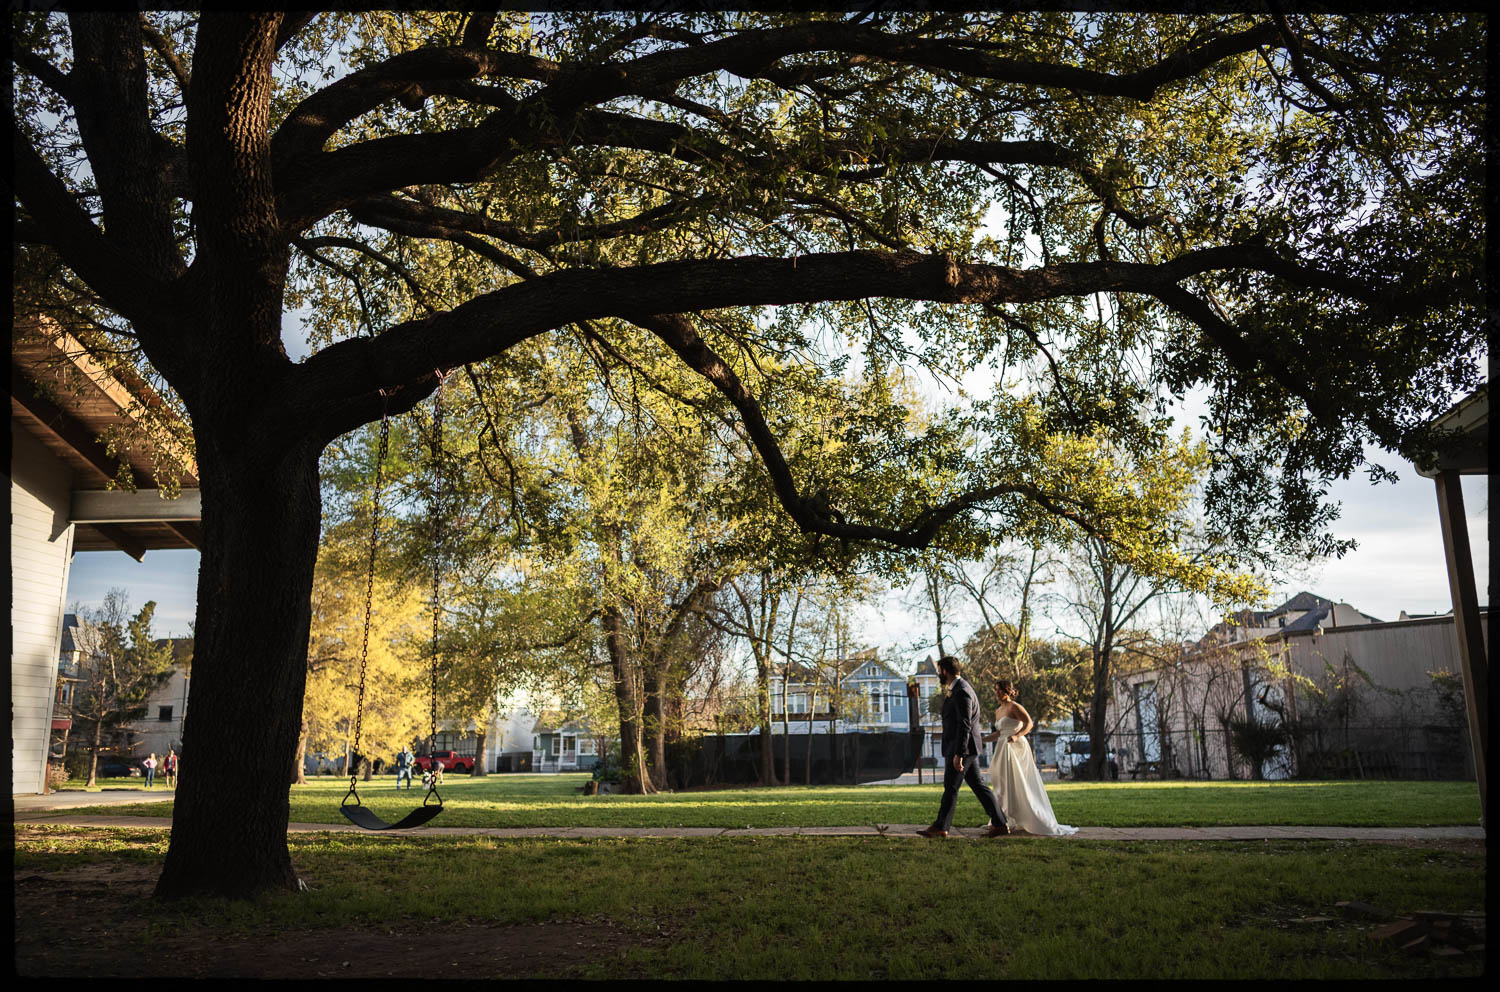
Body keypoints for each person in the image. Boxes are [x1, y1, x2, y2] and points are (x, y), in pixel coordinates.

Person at [917, 656, 1009, 839]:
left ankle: (941, 827)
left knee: (951, 787)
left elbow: (964, 724)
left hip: (963, 748)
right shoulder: (958, 689)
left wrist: (959, 753)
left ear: (945, 671)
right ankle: (1000, 824)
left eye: (939, 671)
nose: (938, 674)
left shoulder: (962, 691)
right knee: (978, 785)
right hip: (964, 747)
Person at [983, 680, 1078, 837]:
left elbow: (1029, 723)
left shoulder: (1014, 707)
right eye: (996, 690)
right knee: (1001, 781)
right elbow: (999, 732)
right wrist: (982, 740)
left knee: (1016, 780)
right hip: (1001, 746)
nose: (997, 693)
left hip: (1014, 746)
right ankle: (1003, 818)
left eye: (999, 690)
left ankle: (1024, 816)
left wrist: (1017, 735)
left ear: (1007, 690)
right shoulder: (998, 711)